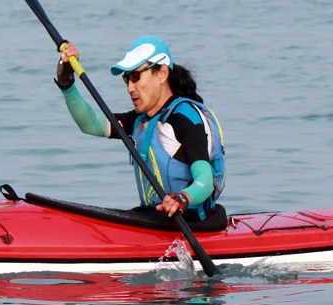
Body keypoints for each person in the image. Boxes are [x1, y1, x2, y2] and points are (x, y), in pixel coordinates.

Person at [55, 35, 227, 231]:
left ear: (162, 73)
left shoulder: (187, 119)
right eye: (127, 79)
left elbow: (205, 182)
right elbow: (91, 124)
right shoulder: (140, 121)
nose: (130, 88)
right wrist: (67, 84)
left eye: (136, 77)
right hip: (155, 219)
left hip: (194, 223)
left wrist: (182, 198)